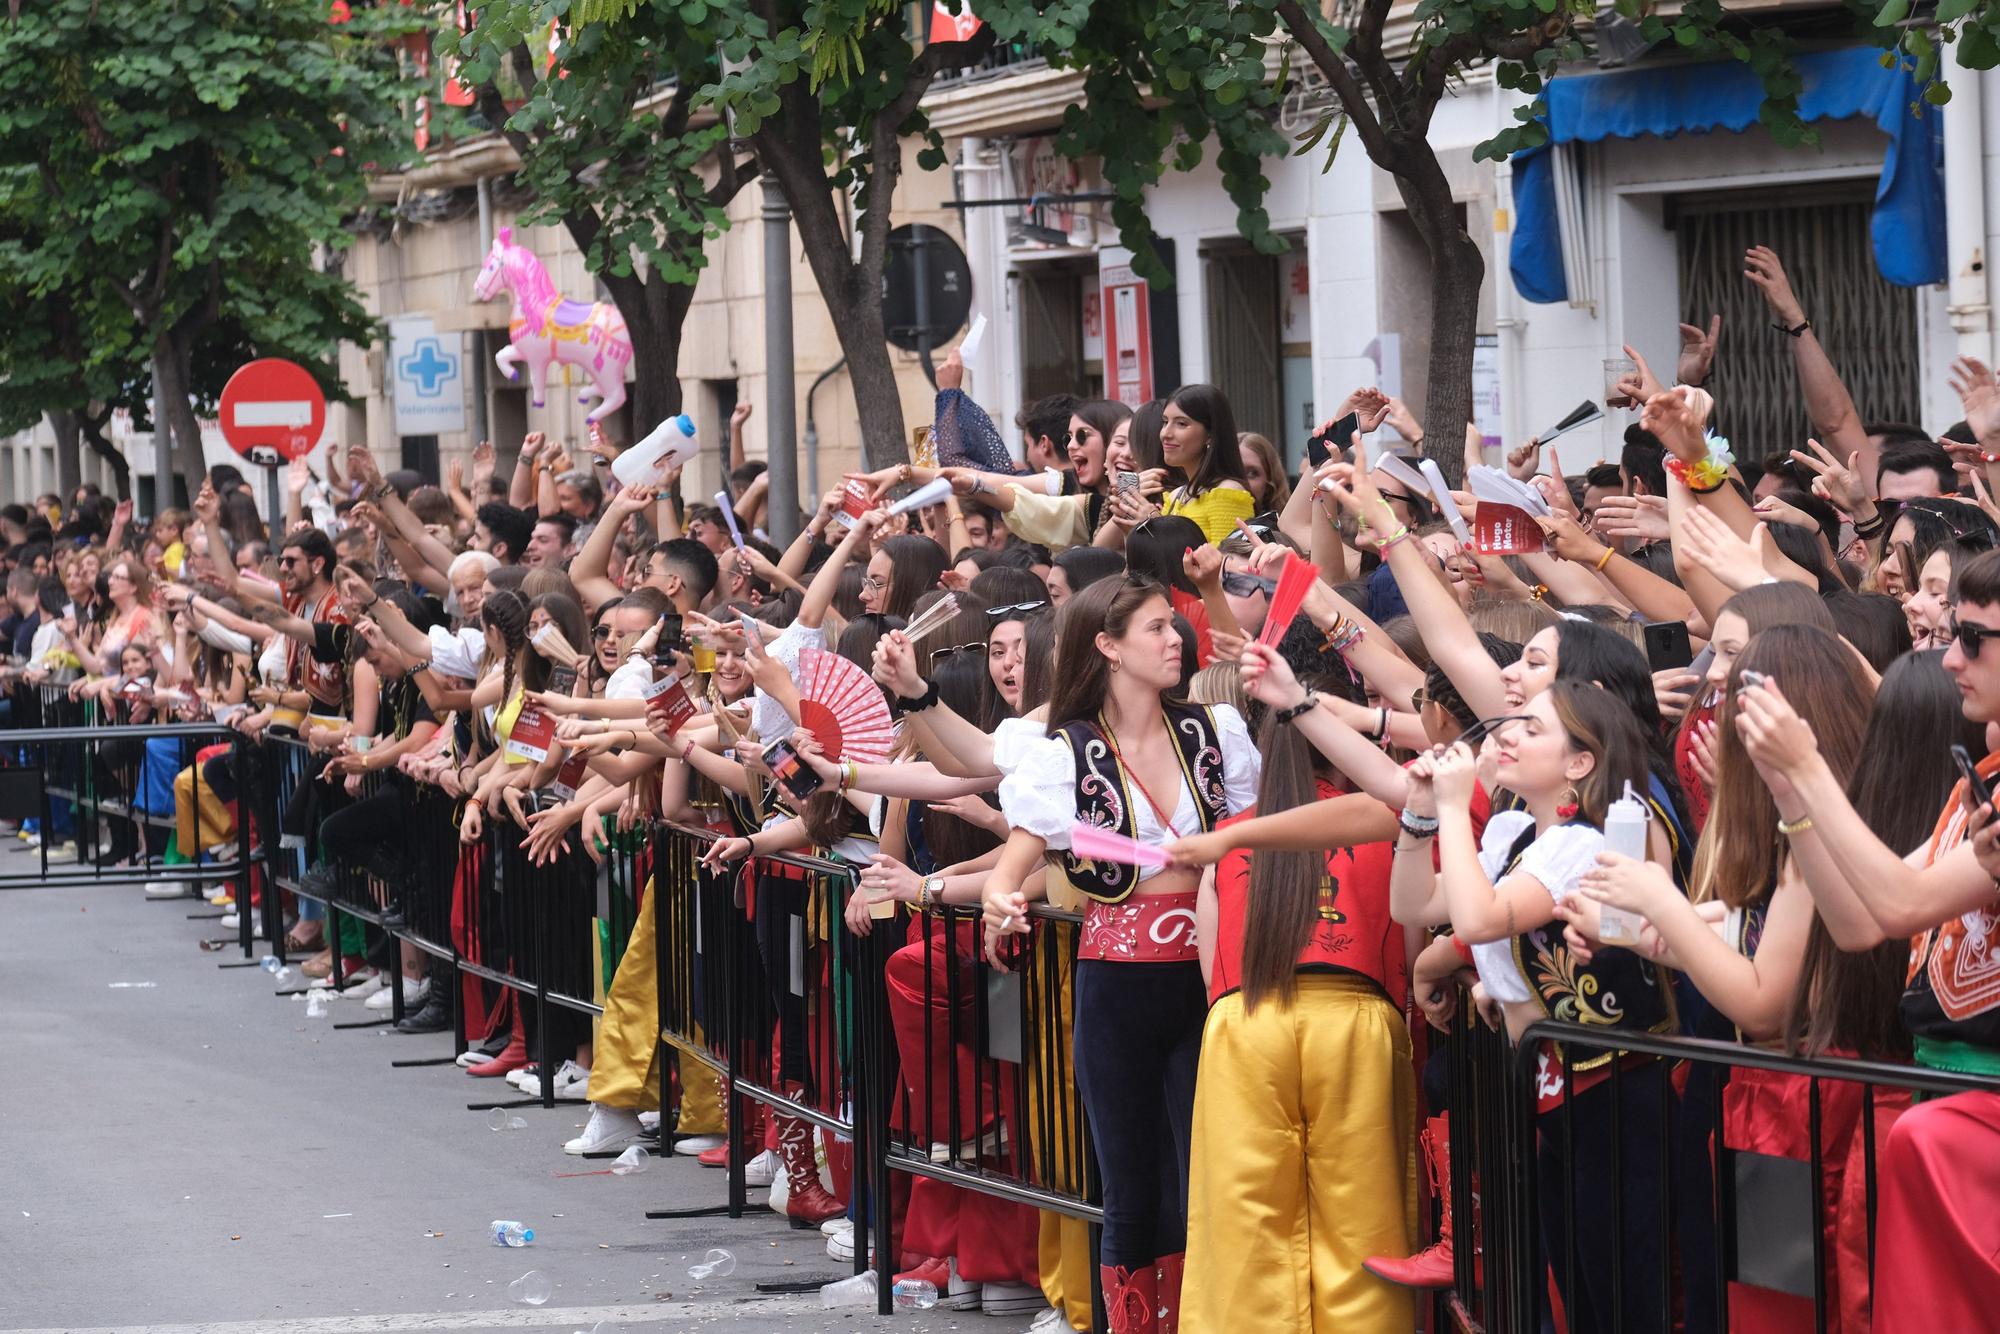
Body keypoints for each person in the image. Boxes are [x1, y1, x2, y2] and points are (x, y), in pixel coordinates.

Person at [978, 575, 1261, 1332]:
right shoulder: (1063, 752)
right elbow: (1014, 863)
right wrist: (998, 903)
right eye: (1157, 630)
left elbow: (1258, 840)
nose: (1178, 640)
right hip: (1117, 985)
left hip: (1215, 981)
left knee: (1212, 1176)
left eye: (1176, 626)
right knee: (1131, 1185)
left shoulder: (1214, 730)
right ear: (1107, 647)